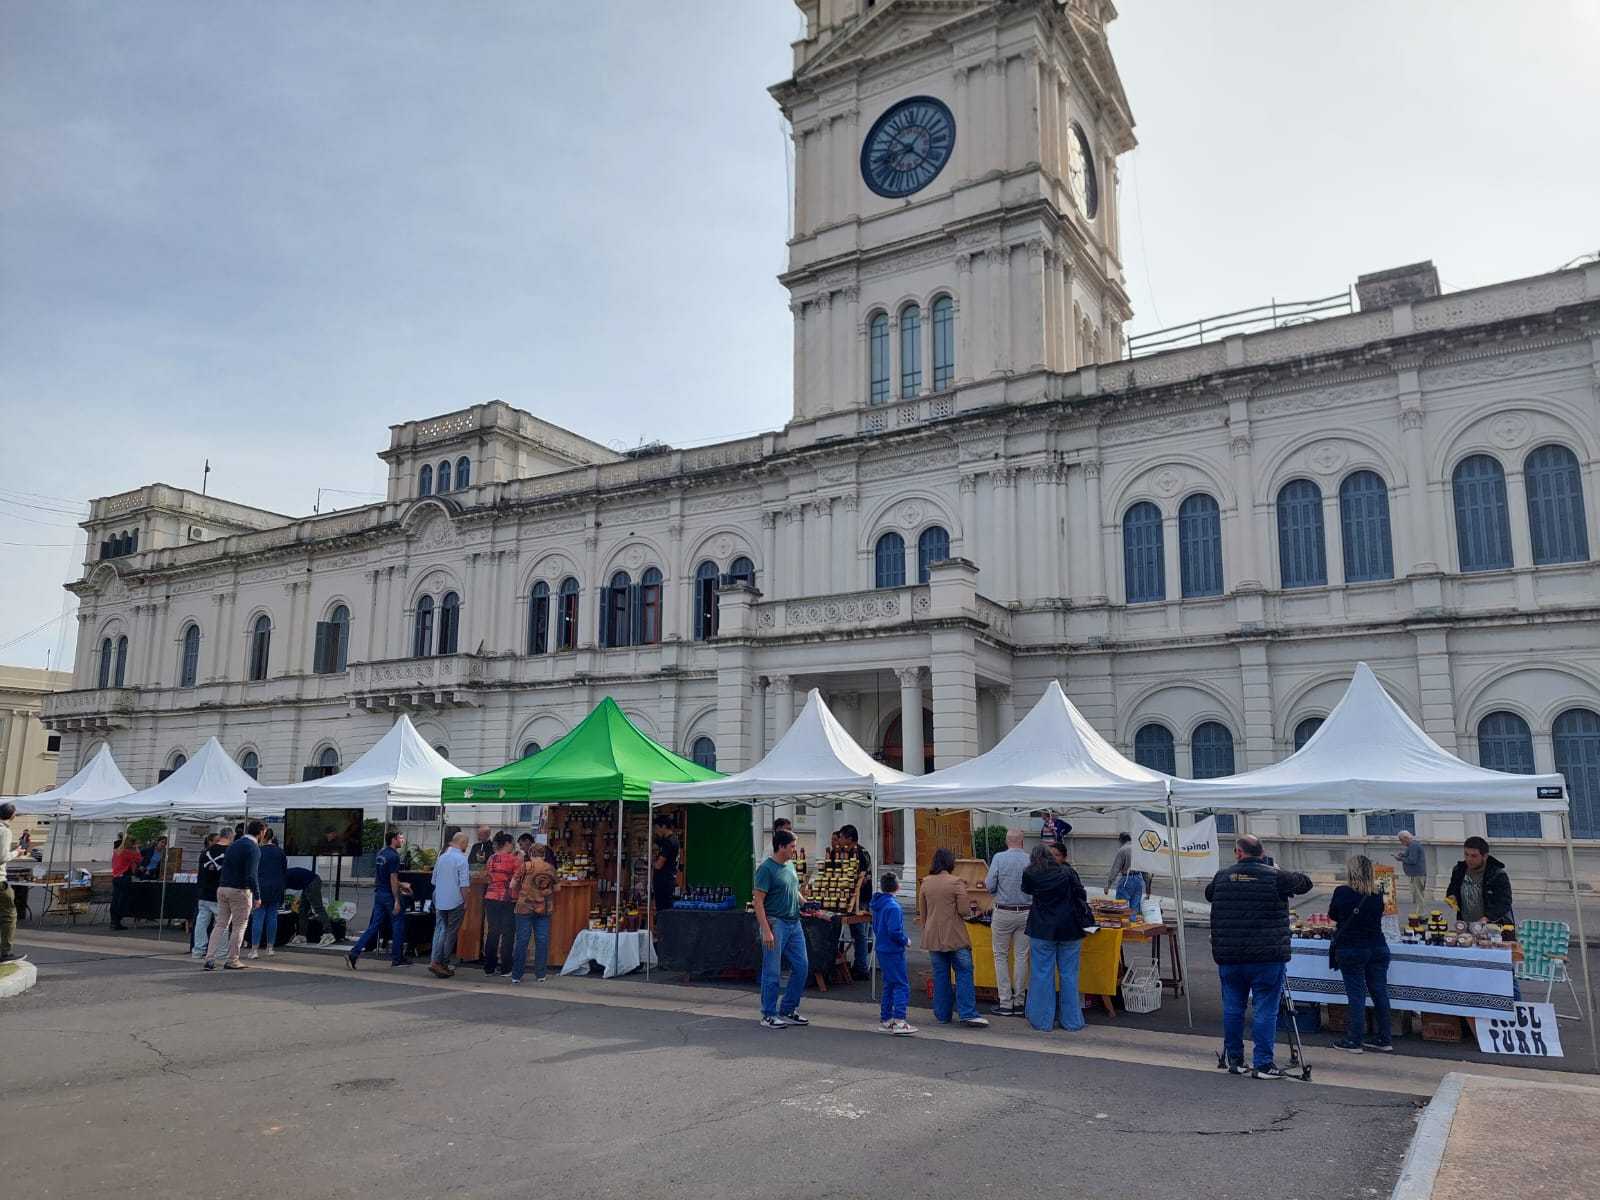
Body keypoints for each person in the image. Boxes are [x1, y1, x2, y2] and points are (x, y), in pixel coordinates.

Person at [1204, 834, 1313, 1078]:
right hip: (1267, 956)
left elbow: (1209, 894)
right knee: (1265, 1008)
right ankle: (1263, 1063)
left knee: (1233, 1008)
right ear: (1262, 853)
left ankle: (1235, 1060)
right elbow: (1305, 883)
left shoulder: (1222, 876)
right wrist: (1276, 869)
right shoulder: (1275, 876)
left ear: (1238, 853)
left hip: (1230, 955)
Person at [1021, 842, 1092, 1033]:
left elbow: (1026, 891)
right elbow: (1081, 895)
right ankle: (1072, 1021)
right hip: (1070, 928)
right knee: (1069, 975)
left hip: (1042, 928)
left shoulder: (1030, 874)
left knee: (1042, 974)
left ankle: (1042, 1021)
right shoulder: (1068, 873)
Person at [917, 848, 989, 1029]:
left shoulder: (926, 882)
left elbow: (923, 913)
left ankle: (942, 1014)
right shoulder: (956, 882)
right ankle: (967, 1012)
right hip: (955, 936)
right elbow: (964, 911)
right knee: (964, 972)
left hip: (933, 936)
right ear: (950, 864)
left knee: (940, 975)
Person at [1329, 854, 1393, 1053]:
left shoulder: (1342, 892)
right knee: (1379, 992)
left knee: (1356, 994)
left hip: (1352, 948)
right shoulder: (1377, 894)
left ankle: (1355, 1039)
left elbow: (1333, 915)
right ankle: (1384, 1037)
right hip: (1378, 946)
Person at [753, 829, 809, 1029]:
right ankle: (768, 1014)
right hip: (776, 923)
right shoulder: (766, 869)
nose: (795, 850)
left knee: (802, 967)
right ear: (781, 846)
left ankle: (788, 1009)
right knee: (772, 971)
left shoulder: (790, 865)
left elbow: (793, 890)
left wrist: (806, 904)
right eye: (792, 846)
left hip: (794, 923)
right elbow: (758, 901)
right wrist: (766, 930)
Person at [984, 827, 1031, 1016]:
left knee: (1000, 956)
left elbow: (989, 885)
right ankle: (1019, 1001)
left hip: (1003, 911)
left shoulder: (999, 858)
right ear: (1022, 842)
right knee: (1021, 957)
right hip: (1026, 912)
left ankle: (1005, 1002)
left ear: (1006, 841)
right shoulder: (1029, 859)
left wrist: (998, 892)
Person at [205, 819, 264, 971]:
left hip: (223, 887)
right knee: (239, 926)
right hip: (240, 890)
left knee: (220, 924)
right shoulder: (254, 848)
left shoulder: (233, 845)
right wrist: (257, 895)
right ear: (261, 832)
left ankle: (209, 958)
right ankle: (233, 959)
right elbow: (252, 875)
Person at [347, 829, 409, 969]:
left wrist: (401, 885)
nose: (402, 840)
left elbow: (384, 876)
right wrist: (397, 900)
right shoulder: (394, 856)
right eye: (399, 838)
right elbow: (392, 878)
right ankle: (397, 958)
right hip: (389, 895)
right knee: (398, 924)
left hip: (379, 893)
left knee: (374, 926)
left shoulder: (381, 854)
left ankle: (354, 952)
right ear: (393, 839)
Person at [870, 871, 915, 1035]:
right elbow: (895, 931)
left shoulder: (878, 905)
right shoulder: (893, 907)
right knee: (901, 984)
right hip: (893, 949)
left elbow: (877, 927)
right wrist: (905, 940)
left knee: (889, 984)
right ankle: (899, 1020)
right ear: (897, 886)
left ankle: (886, 1019)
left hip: (882, 947)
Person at [510, 843, 558, 983]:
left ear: (531, 854)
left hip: (524, 907)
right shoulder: (550, 868)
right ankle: (541, 974)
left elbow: (512, 884)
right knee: (542, 941)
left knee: (522, 941)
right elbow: (558, 888)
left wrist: (524, 889)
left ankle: (516, 975)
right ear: (544, 854)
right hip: (544, 908)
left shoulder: (525, 866)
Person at [429, 831, 472, 978]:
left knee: (440, 930)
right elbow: (464, 885)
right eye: (466, 843)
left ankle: (435, 960)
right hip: (455, 901)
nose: (466, 846)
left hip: (440, 900)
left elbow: (433, 880)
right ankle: (441, 963)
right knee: (450, 933)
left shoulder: (441, 857)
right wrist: (466, 901)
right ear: (462, 842)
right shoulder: (461, 859)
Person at [1446, 836, 1514, 925]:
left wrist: (1488, 918)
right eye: (1466, 854)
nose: (1469, 859)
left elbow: (1505, 902)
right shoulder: (1459, 870)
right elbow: (1452, 888)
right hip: (1465, 924)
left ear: (1485, 856)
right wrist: (1452, 896)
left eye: (1474, 856)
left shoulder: (1497, 875)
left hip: (1491, 926)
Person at [482, 832, 521, 976]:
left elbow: (488, 876)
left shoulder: (491, 858)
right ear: (507, 844)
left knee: (493, 931)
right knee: (508, 933)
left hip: (491, 896)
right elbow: (518, 878)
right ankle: (506, 967)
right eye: (512, 843)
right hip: (507, 898)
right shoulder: (514, 860)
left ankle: (489, 967)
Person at [837, 824, 872, 980]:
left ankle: (861, 967)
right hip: (850, 897)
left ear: (849, 838)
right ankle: (858, 965)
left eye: (841, 837)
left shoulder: (860, 853)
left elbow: (862, 878)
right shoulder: (847, 852)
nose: (839, 840)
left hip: (861, 897)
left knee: (859, 933)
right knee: (856, 932)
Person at [247, 827, 288, 959]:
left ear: (262, 836)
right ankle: (270, 947)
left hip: (260, 887)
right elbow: (284, 871)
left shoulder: (257, 850)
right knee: (272, 918)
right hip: (276, 887)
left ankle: (254, 949)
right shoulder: (280, 852)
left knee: (258, 918)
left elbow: (252, 870)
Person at [191, 830, 230, 959]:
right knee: (222, 924)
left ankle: (198, 950)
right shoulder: (229, 852)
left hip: (203, 891)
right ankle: (221, 952)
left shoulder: (205, 852)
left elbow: (201, 871)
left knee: (201, 922)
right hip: (218, 891)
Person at [0, 802, 28, 963]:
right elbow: (2, 857)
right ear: (12, 815)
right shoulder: (4, 831)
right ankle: (6, 953)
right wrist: (17, 852)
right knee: (9, 915)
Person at [283, 864, 337, 944]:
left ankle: (328, 933)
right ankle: (302, 935)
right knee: (303, 909)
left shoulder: (280, 877)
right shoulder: (281, 875)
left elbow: (279, 894)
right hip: (308, 883)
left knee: (318, 908)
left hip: (312, 882)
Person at [1107, 831, 1146, 918]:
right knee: (1134, 907)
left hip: (1126, 880)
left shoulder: (1122, 850)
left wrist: (1108, 885)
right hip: (1138, 879)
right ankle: (1132, 922)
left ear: (1121, 840)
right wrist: (1147, 887)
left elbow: (1115, 869)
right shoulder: (1138, 849)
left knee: (1121, 906)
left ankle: (1123, 923)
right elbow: (1144, 869)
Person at [109, 834, 141, 931]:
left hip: (116, 877)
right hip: (124, 877)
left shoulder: (116, 851)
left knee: (116, 899)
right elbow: (139, 859)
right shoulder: (126, 852)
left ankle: (114, 921)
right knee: (122, 900)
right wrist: (136, 848)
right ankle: (117, 921)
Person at [652, 816, 680, 914]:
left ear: (663, 826)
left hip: (664, 882)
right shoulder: (674, 840)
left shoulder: (669, 842)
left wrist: (651, 862)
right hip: (669, 879)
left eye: (656, 828)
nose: (656, 831)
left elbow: (659, 865)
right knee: (666, 910)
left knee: (663, 911)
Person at [1394, 831, 1427, 910]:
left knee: (1418, 895)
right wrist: (1403, 854)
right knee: (1417, 895)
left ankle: (1421, 914)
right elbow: (1411, 856)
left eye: (1401, 840)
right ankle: (1419, 913)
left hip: (1416, 874)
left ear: (1406, 838)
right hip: (1417, 874)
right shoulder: (1413, 845)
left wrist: (1400, 859)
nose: (1401, 843)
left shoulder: (1413, 846)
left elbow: (1412, 860)